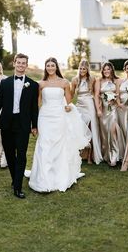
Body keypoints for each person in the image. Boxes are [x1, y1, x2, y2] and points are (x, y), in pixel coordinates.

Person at [27, 57, 91, 193]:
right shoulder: (41, 84)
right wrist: (34, 120)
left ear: (56, 67)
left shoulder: (64, 82)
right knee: (44, 144)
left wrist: (68, 107)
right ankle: (43, 178)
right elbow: (38, 103)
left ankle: (58, 175)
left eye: (52, 65)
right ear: (45, 68)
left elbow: (68, 101)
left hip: (59, 116)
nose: (50, 68)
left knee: (59, 144)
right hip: (45, 116)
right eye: (48, 65)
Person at [0, 53, 38, 199]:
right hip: (6, 123)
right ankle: (15, 178)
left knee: (21, 155)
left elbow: (34, 108)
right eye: (19, 62)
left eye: (24, 63)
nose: (21, 65)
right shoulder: (6, 83)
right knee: (10, 154)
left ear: (26, 65)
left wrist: (34, 125)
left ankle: (17, 187)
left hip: (23, 124)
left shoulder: (33, 85)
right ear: (14, 63)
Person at [71, 59, 103, 165]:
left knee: (91, 128)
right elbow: (70, 95)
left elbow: (96, 94)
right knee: (80, 129)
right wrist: (66, 104)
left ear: (87, 69)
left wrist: (99, 107)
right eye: (80, 68)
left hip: (89, 105)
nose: (82, 70)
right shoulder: (75, 80)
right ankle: (80, 154)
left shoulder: (92, 79)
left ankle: (90, 156)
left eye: (84, 68)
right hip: (79, 106)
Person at [94, 62, 123, 166]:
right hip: (104, 110)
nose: (106, 71)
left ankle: (114, 157)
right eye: (104, 69)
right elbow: (97, 95)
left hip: (113, 110)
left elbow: (118, 94)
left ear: (112, 70)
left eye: (108, 69)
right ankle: (106, 155)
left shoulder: (116, 80)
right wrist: (98, 109)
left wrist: (115, 99)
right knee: (105, 134)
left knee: (113, 131)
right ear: (102, 71)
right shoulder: (99, 81)